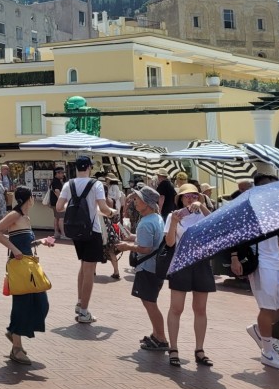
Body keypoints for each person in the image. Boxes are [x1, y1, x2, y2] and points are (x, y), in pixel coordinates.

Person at [243, 167, 279, 370]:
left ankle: (259, 329)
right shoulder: (251, 210)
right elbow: (240, 238)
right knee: (267, 308)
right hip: (261, 264)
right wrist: (234, 257)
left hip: (276, 263)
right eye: (268, 186)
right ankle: (267, 352)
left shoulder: (274, 209)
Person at [0, 186, 56, 364]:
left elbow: (26, 241)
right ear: (29, 199)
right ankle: (16, 348)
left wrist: (41, 242)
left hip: (28, 264)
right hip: (19, 265)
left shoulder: (26, 217)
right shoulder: (15, 215)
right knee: (21, 303)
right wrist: (15, 250)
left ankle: (14, 332)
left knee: (42, 304)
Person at [56, 155, 114, 324]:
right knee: (89, 270)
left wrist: (74, 206)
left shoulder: (69, 184)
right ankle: (84, 311)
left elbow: (59, 207)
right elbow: (103, 208)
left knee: (83, 266)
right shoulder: (96, 184)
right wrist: (112, 213)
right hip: (91, 230)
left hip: (75, 231)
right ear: (89, 167)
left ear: (76, 168)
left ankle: (80, 301)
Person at [164, 183, 215, 368]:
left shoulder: (203, 212)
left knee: (200, 308)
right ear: (180, 198)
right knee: (176, 308)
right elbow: (169, 243)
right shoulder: (173, 215)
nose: (191, 198)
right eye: (187, 196)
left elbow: (216, 224)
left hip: (201, 263)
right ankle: (174, 349)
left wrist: (202, 205)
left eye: (194, 195)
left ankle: (199, 350)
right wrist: (175, 223)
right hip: (181, 263)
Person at [116, 186, 168, 352]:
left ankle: (161, 338)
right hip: (156, 267)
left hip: (147, 268)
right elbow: (150, 241)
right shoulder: (156, 218)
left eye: (138, 199)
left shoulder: (145, 223)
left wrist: (127, 246)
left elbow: (145, 248)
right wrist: (131, 237)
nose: (135, 202)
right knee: (151, 302)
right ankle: (156, 334)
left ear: (147, 203)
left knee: (150, 303)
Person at [49, 166, 67, 239]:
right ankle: (63, 234)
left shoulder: (54, 181)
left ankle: (56, 233)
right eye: (62, 173)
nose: (63, 174)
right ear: (57, 173)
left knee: (56, 217)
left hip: (54, 202)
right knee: (61, 218)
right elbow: (57, 191)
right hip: (57, 202)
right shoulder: (56, 181)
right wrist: (61, 201)